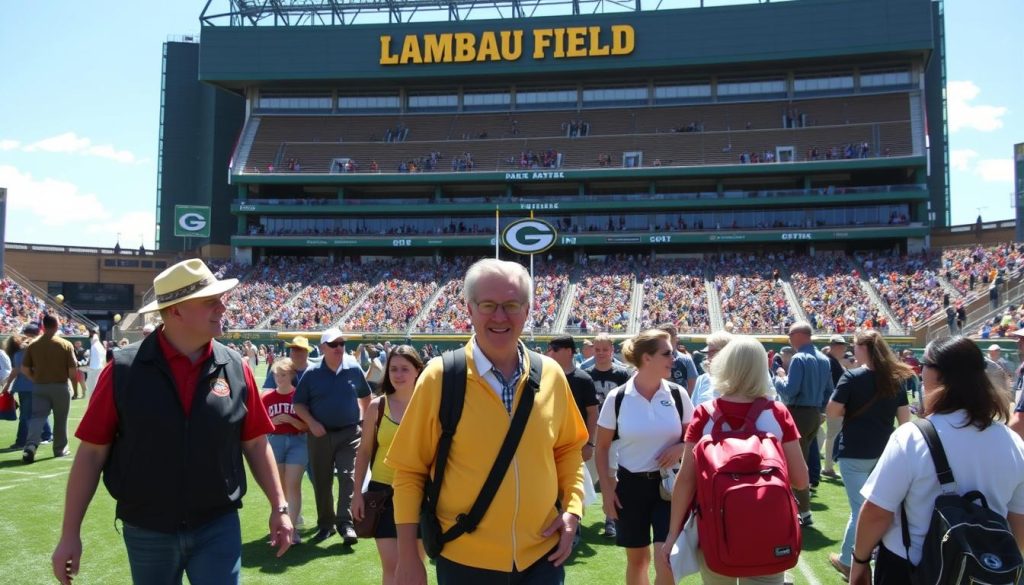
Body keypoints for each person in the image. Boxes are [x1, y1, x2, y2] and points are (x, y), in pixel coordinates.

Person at [51, 258, 292, 585]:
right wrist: (69, 534)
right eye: (211, 301)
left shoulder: (236, 367)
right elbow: (92, 454)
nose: (223, 307)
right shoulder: (122, 370)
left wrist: (279, 506)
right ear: (175, 311)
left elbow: (255, 442)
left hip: (218, 524)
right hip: (147, 528)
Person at [386, 258, 587, 585]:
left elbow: (568, 450)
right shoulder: (440, 378)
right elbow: (409, 471)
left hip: (542, 558)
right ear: (469, 308)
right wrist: (409, 558)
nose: (499, 316)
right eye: (488, 305)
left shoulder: (550, 374)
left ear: (527, 309)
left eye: (511, 305)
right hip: (464, 559)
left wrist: (573, 509)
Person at [851, 336, 1024, 585]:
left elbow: (877, 512)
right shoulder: (1013, 443)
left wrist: (859, 562)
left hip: (910, 569)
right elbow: (1018, 526)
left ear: (940, 375)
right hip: (982, 572)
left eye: (924, 365)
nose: (920, 372)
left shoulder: (911, 436)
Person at [658, 336, 807, 585]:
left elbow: (686, 481)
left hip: (714, 529)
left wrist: (673, 534)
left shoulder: (704, 413)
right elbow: (801, 480)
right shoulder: (778, 413)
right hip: (769, 531)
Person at [596, 328, 693, 585]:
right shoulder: (617, 398)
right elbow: (602, 446)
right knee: (638, 560)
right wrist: (607, 490)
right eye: (668, 353)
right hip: (630, 487)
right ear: (647, 358)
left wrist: (680, 447)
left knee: (667, 558)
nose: (674, 358)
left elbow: (694, 439)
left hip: (671, 487)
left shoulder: (677, 394)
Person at [824, 330, 913, 580]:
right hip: (885, 452)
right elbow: (904, 420)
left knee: (860, 510)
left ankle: (848, 560)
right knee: (880, 507)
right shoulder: (895, 379)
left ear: (864, 348)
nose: (854, 351)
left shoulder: (852, 377)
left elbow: (832, 411)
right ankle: (858, 555)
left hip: (855, 451)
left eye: (856, 346)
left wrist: (855, 412)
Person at [352, 345, 427, 585]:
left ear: (417, 371)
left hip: (420, 494)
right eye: (393, 369)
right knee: (392, 568)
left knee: (415, 566)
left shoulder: (429, 405)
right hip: (383, 495)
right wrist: (356, 494)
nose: (398, 374)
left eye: (405, 369)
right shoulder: (377, 406)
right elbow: (363, 453)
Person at [292, 327, 371, 546]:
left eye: (342, 343)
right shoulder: (312, 373)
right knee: (322, 480)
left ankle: (345, 523)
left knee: (348, 476)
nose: (339, 348)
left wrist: (364, 423)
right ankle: (326, 524)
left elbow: (366, 397)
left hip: (349, 432)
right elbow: (298, 403)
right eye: (334, 344)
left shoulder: (353, 367)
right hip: (320, 434)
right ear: (323, 348)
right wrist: (312, 422)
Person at [772, 321, 833, 526]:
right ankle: (802, 509)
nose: (789, 339)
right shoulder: (824, 359)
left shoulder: (799, 358)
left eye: (790, 335)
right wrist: (821, 411)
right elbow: (829, 391)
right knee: (802, 462)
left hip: (797, 414)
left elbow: (789, 391)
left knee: (793, 464)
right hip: (814, 414)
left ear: (799, 335)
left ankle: (801, 512)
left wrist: (778, 377)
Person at [546, 334, 599, 545]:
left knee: (573, 487)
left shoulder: (582, 379)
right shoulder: (544, 376)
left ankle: (573, 529)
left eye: (554, 349)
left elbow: (593, 413)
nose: (549, 353)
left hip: (574, 444)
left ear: (568, 351)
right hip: (550, 443)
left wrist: (590, 442)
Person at [584, 332, 634, 538]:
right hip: (592, 433)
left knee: (611, 475)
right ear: (591, 350)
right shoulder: (585, 374)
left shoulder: (623, 375)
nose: (601, 353)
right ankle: (577, 515)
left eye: (605, 349)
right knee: (586, 475)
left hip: (614, 433)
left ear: (612, 351)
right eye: (597, 349)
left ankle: (610, 518)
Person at [261, 358, 308, 544]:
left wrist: (289, 419)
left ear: (291, 375)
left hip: (298, 441)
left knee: (293, 483)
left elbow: (306, 426)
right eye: (276, 375)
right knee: (280, 488)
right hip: (275, 442)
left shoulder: (299, 397)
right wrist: (274, 423)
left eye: (283, 375)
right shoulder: (267, 398)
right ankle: (285, 524)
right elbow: (261, 426)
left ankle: (294, 530)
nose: (279, 378)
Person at [20, 314, 77, 464]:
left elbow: (25, 369)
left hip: (40, 386)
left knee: (37, 417)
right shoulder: (65, 344)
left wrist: (35, 379)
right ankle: (60, 449)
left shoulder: (33, 344)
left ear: (43, 326)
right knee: (60, 419)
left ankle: (31, 445)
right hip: (60, 386)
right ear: (57, 325)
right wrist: (70, 384)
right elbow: (72, 370)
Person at [4, 327, 53, 448]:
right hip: (38, 386)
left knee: (25, 415)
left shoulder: (20, 353)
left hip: (25, 387)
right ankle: (47, 435)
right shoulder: (41, 350)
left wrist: (7, 385)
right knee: (38, 412)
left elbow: (16, 370)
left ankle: (22, 441)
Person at [821, 334, 849, 479]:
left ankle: (825, 465)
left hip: (832, 403)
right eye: (842, 347)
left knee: (825, 434)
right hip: (832, 404)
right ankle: (828, 468)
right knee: (832, 435)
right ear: (836, 347)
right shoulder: (831, 362)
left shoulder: (834, 361)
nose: (844, 349)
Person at [690, 331, 734, 407]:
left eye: (712, 352)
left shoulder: (739, 380)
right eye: (707, 353)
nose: (708, 357)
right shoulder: (703, 379)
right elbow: (693, 411)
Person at [657, 323, 698, 395]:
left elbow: (693, 388)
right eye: (662, 338)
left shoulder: (686, 360)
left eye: (669, 338)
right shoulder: (653, 360)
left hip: (681, 402)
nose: (666, 341)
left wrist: (682, 402)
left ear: (676, 338)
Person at [85, 329, 105, 398]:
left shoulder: (95, 345)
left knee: (92, 389)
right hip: (98, 368)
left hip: (94, 369)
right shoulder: (99, 345)